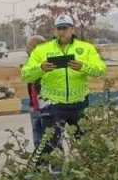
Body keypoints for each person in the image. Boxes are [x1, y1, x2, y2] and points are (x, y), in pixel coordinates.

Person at [20, 16, 106, 157]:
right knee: (50, 147)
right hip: (53, 106)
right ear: (54, 30)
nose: (61, 32)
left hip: (79, 104)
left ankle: (90, 173)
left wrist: (83, 67)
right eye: (58, 28)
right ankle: (54, 174)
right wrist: (41, 68)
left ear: (72, 29)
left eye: (65, 28)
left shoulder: (85, 48)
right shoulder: (42, 50)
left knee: (86, 144)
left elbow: (100, 70)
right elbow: (25, 74)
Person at [24, 34, 46, 151]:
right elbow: (31, 86)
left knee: (51, 137)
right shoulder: (30, 64)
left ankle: (56, 165)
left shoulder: (47, 64)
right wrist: (32, 104)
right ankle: (40, 164)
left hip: (47, 105)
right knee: (38, 138)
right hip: (35, 106)